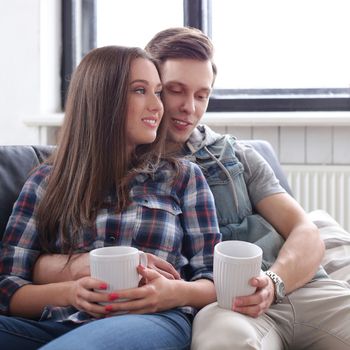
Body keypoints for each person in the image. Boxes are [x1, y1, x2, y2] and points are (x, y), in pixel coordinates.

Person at [31, 28, 350, 349]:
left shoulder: (235, 155)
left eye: (202, 95)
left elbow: (304, 231)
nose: (189, 107)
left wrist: (273, 282)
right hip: (226, 306)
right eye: (174, 91)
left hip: (297, 288)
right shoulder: (120, 168)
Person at [0, 45, 221, 350]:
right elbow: (9, 288)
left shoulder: (183, 177)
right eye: (141, 91)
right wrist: (71, 292)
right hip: (54, 323)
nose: (158, 106)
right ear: (102, 99)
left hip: (152, 319)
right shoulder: (44, 181)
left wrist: (174, 292)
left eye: (158, 92)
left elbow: (214, 279)